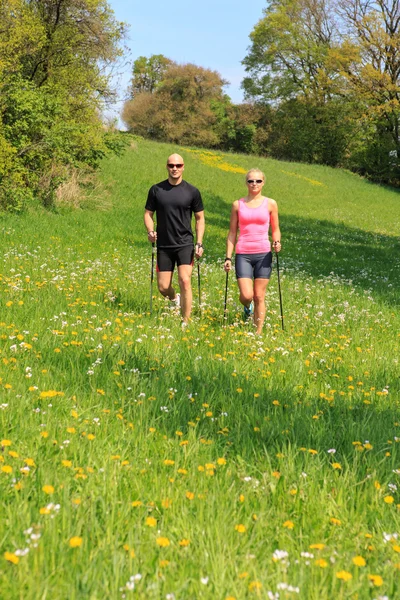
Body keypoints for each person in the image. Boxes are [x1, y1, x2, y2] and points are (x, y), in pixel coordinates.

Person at [144, 153, 205, 324]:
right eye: (171, 165)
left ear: (183, 167)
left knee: (185, 280)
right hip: (164, 244)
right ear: (167, 167)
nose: (175, 169)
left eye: (178, 165)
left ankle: (185, 321)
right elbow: (148, 214)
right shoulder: (156, 190)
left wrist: (199, 242)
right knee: (163, 287)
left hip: (185, 243)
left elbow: (200, 218)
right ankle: (174, 299)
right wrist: (150, 231)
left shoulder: (192, 191)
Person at [224, 168, 281, 335]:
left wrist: (277, 242)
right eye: (250, 181)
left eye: (258, 181)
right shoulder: (238, 204)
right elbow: (232, 232)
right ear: (246, 183)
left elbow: (276, 229)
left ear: (263, 183)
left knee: (259, 296)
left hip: (263, 253)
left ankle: (258, 332)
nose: (254, 184)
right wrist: (228, 257)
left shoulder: (271, 204)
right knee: (247, 295)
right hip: (243, 253)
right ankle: (247, 307)